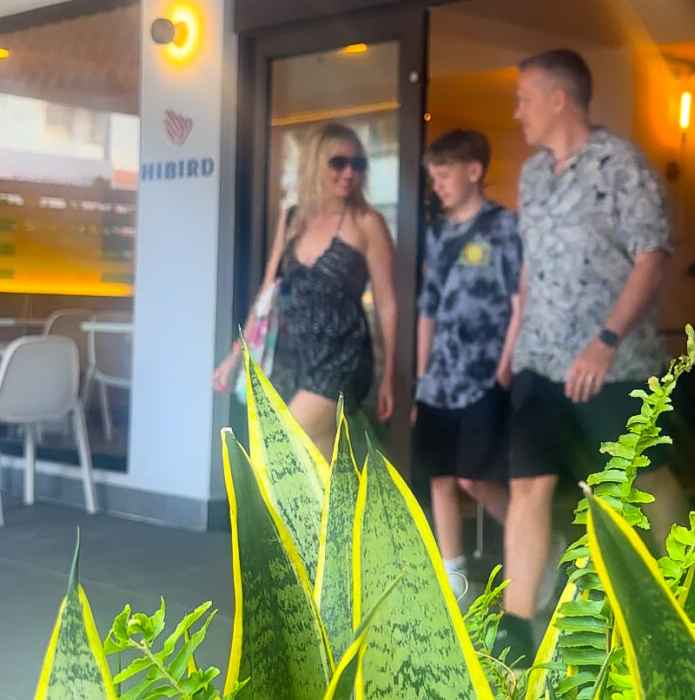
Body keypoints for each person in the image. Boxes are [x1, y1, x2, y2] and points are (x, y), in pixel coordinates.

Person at [500, 49, 671, 661]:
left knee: (642, 478)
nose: (517, 112)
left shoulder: (622, 164)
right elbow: (530, 268)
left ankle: (683, 596)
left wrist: (606, 340)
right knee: (528, 485)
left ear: (558, 98)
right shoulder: (531, 175)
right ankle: (515, 630)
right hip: (539, 360)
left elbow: (652, 257)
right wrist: (512, 346)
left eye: (524, 99)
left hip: (612, 365)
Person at [213, 123, 398, 458]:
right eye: (338, 163)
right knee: (315, 462)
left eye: (357, 164)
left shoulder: (367, 222)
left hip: (342, 355)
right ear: (315, 164)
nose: (349, 173)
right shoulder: (292, 218)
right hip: (292, 354)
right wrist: (236, 354)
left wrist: (390, 375)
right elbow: (267, 294)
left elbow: (387, 303)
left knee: (283, 442)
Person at [413, 129, 523, 595]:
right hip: (439, 377)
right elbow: (428, 308)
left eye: (444, 175)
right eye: (433, 176)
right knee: (440, 478)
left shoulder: (505, 226)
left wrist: (504, 367)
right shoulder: (437, 232)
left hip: (484, 375)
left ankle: (538, 546)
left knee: (475, 478)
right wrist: (421, 377)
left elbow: (521, 300)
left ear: (473, 172)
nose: (437, 185)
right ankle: (454, 580)